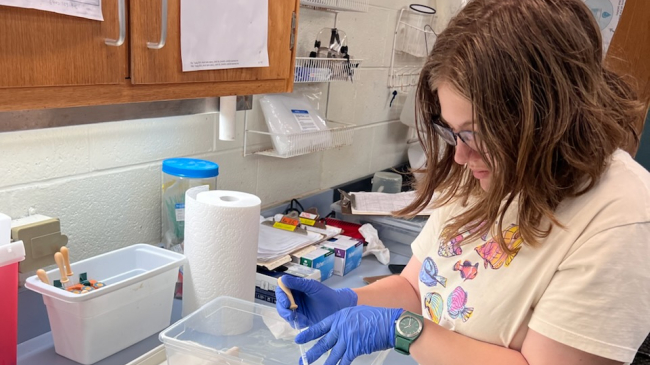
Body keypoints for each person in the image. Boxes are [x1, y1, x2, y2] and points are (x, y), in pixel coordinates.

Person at [276, 0, 650, 364]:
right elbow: (415, 287)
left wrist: (406, 331)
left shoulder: (620, 216)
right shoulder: (482, 177)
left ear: (547, 116)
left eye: (475, 133)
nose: (459, 156)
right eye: (453, 132)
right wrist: (349, 302)